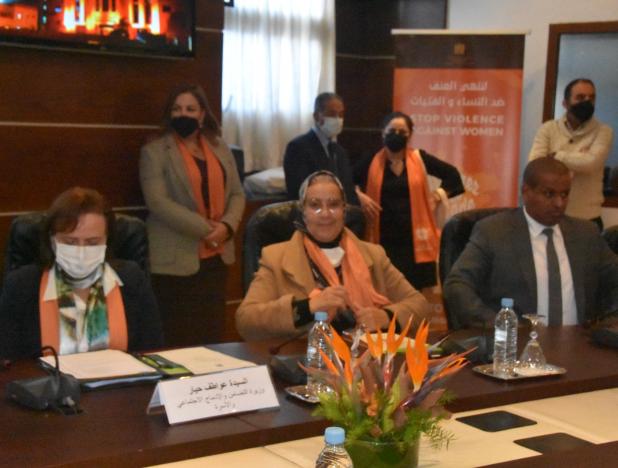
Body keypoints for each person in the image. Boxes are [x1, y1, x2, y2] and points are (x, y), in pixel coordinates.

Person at [236, 171, 430, 341]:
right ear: (303, 212)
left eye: (334, 204)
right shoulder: (275, 257)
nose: (325, 213)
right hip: (307, 361)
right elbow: (246, 321)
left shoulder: (374, 254)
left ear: (344, 211)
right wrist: (307, 308)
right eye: (315, 205)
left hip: (365, 360)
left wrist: (387, 317)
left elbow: (420, 306)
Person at [443, 158, 618, 328]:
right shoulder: (494, 232)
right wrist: (500, 326)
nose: (559, 203)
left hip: (578, 342)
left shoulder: (586, 234)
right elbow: (457, 284)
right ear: (526, 191)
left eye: (564, 194)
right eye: (549, 194)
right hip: (517, 342)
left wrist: (609, 323)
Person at [0, 187, 163, 360]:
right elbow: (8, 360)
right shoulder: (22, 284)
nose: (81, 251)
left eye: (92, 243)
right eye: (70, 242)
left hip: (121, 378)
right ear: (52, 240)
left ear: (107, 240)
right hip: (45, 378)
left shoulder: (131, 279)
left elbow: (152, 353)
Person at [139, 84, 245, 346]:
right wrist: (207, 230)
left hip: (217, 256)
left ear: (202, 114)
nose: (183, 114)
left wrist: (226, 227)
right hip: (175, 260)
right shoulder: (154, 151)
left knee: (211, 334)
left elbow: (237, 194)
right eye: (177, 109)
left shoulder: (220, 148)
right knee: (179, 336)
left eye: (190, 109)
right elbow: (158, 202)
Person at [356, 111, 464, 290]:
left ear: (410, 135)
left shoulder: (420, 159)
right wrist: (360, 196)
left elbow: (453, 176)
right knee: (384, 291)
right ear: (383, 132)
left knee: (415, 293)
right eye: (392, 131)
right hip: (382, 239)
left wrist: (437, 195)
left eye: (402, 132)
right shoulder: (370, 160)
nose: (396, 135)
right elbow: (346, 182)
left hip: (414, 241)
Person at [529, 78, 614, 231]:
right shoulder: (548, 129)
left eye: (591, 98)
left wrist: (556, 156)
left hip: (587, 218)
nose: (587, 102)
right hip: (550, 216)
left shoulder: (604, 131)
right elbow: (535, 165)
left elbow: (591, 163)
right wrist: (578, 158)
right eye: (580, 97)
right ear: (565, 103)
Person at [283, 92, 359, 204]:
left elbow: (348, 188)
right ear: (316, 116)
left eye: (341, 115)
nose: (338, 119)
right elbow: (299, 191)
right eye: (332, 114)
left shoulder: (339, 151)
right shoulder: (298, 147)